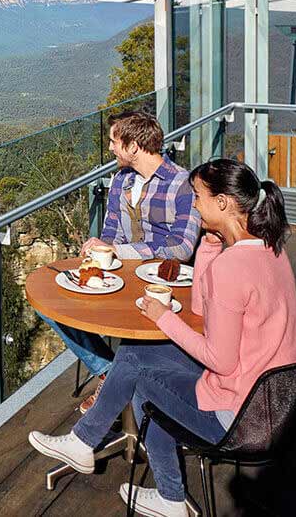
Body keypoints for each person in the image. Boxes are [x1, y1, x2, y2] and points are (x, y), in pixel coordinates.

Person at [29, 159, 296, 517]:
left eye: (197, 196)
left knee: (142, 383)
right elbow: (207, 313)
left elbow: (218, 358)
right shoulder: (271, 248)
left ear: (222, 203)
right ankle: (86, 443)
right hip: (278, 403)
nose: (193, 204)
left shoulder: (232, 267)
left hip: (241, 418)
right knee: (135, 353)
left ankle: (168, 496)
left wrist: (165, 318)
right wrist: (207, 248)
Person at [43, 111, 202, 413]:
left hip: (163, 287)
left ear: (133, 147)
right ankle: (110, 371)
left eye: (115, 141)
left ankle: (115, 381)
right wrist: (96, 255)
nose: (111, 148)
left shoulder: (181, 184)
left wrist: (121, 252)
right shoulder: (121, 181)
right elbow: (110, 233)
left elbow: (181, 247)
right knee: (54, 305)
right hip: (122, 279)